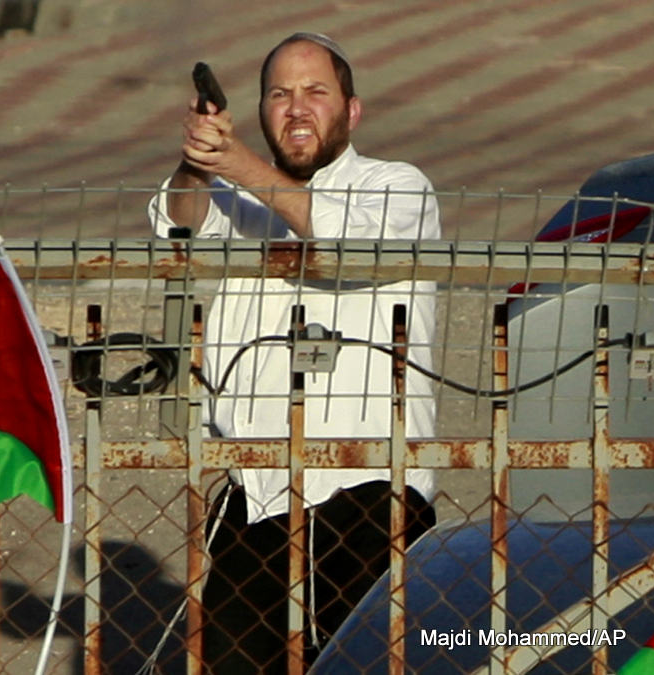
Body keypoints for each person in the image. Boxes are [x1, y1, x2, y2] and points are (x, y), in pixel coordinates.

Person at [147, 33, 440, 674]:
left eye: (316, 93)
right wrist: (199, 160)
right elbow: (179, 222)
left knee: (366, 663)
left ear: (352, 111)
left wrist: (241, 164)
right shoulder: (239, 192)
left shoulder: (395, 185)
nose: (297, 108)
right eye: (280, 94)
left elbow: (348, 246)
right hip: (260, 491)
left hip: (368, 488)